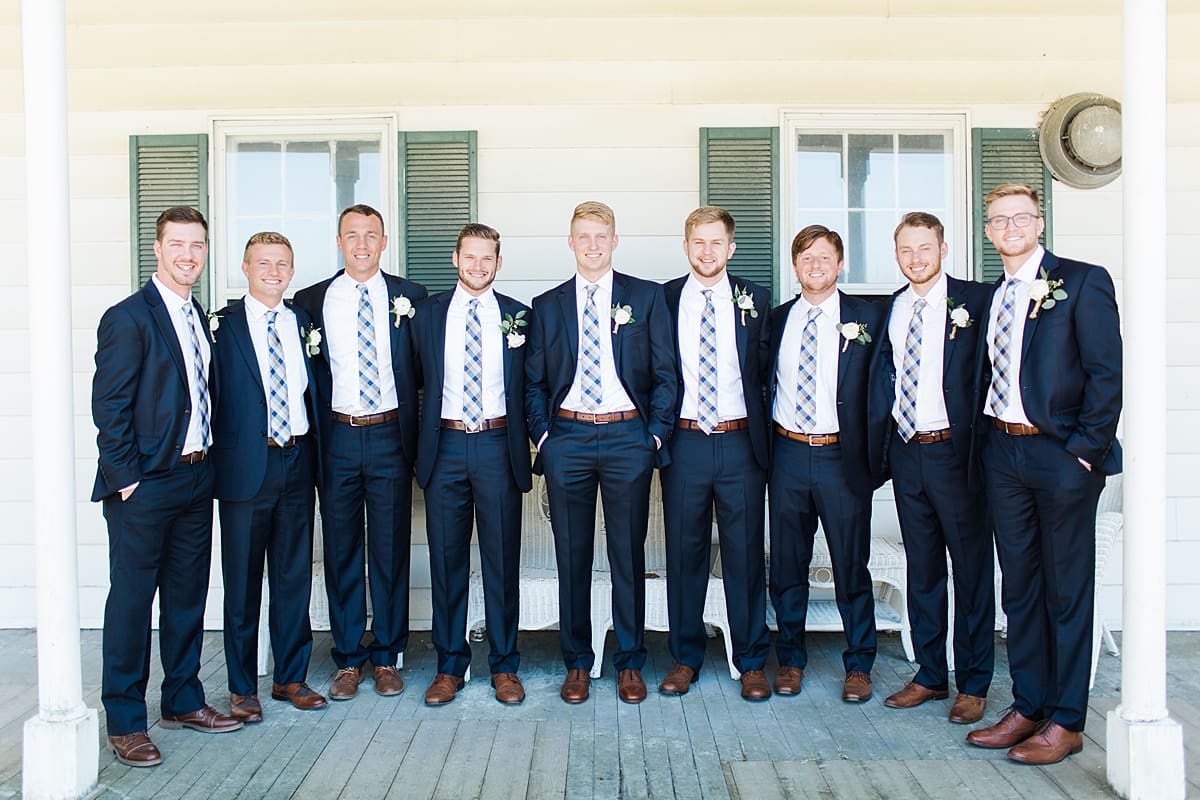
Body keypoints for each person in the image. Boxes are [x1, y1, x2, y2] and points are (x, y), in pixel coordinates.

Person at [966, 183, 1122, 765]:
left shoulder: (1081, 281)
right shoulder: (992, 296)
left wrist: (1084, 450)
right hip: (1002, 455)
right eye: (998, 219)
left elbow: (1107, 372)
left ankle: (1066, 719)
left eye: (1021, 216)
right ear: (987, 231)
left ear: (1039, 221)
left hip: (1061, 458)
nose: (1010, 226)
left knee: (1066, 589)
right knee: (1021, 587)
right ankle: (1027, 705)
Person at [91, 206, 242, 767]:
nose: (187, 255)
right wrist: (127, 479)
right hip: (146, 483)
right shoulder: (129, 317)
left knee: (187, 596)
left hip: (198, 476)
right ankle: (126, 719)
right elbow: (108, 406)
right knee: (132, 603)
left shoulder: (199, 315)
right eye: (177, 244)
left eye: (197, 245)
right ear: (157, 249)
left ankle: (182, 698)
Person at [525, 200, 677, 704]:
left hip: (626, 438)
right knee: (572, 556)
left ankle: (629, 661)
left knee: (627, 554)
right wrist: (545, 438)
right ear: (570, 243)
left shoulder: (646, 297)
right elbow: (533, 383)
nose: (592, 245)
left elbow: (664, 375)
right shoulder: (546, 306)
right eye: (583, 236)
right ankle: (577, 662)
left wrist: (652, 436)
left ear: (615, 241)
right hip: (566, 438)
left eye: (601, 236)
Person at [292, 204, 427, 701]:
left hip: (392, 434)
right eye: (353, 235)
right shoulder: (310, 302)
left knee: (390, 548)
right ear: (339, 241)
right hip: (338, 437)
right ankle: (349, 656)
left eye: (371, 235)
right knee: (342, 548)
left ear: (384, 241)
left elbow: (425, 371)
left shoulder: (410, 298)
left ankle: (388, 654)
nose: (362, 244)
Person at [867, 212, 995, 724]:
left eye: (925, 248)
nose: (915, 259)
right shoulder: (890, 310)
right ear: (896, 255)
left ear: (944, 249)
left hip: (957, 454)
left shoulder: (976, 302)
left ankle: (975, 681)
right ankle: (929, 673)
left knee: (971, 571)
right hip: (907, 452)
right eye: (906, 251)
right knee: (922, 568)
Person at [410, 223, 531, 706]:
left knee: (501, 562)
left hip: (499, 446)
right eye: (470, 257)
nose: (478, 266)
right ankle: (449, 666)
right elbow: (411, 380)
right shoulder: (426, 315)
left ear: (498, 264)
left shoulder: (519, 318)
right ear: (455, 258)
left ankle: (504, 666)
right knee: (446, 560)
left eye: (488, 259)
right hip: (446, 445)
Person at [211, 232, 328, 723]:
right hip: (246, 466)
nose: (273, 271)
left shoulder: (302, 321)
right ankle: (242, 687)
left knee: (292, 576)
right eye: (264, 263)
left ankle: (290, 677)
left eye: (282, 263)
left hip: (296, 460)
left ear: (292, 270)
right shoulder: (222, 325)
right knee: (242, 582)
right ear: (245, 267)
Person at [767, 224, 886, 703]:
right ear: (794, 267)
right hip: (788, 453)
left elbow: (883, 390)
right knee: (788, 565)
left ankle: (858, 663)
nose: (814, 266)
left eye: (824, 257)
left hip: (842, 456)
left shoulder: (867, 319)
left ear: (840, 264)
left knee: (849, 564)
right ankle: (791, 659)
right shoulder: (774, 321)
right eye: (805, 258)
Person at [659, 206, 772, 701]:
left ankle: (750, 661)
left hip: (739, 441)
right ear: (686, 248)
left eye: (716, 242)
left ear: (731, 248)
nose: (707, 252)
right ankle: (685, 657)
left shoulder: (756, 300)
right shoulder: (661, 300)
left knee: (745, 554)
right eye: (697, 243)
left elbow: (768, 371)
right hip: (684, 441)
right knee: (685, 553)